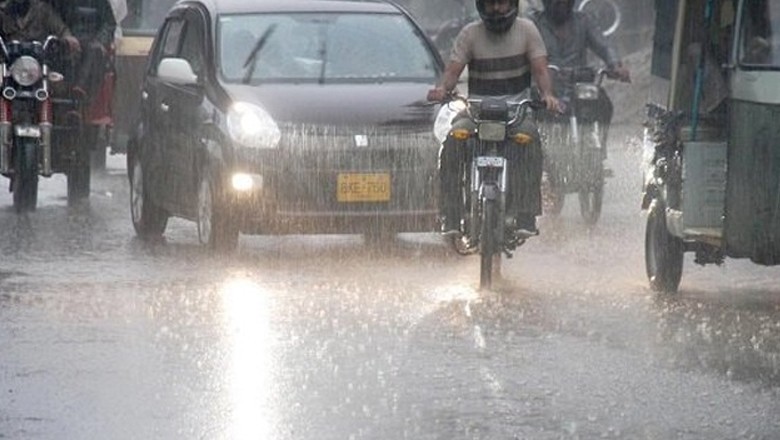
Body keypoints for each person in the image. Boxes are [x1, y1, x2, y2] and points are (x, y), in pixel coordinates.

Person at [427, 0, 560, 237]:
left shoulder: (527, 30)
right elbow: (452, 72)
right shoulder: (470, 34)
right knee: (453, 141)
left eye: (501, 3)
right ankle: (451, 214)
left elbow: (540, 70)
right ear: (481, 6)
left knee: (530, 139)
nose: (496, 9)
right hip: (476, 112)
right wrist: (441, 90)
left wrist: (547, 95)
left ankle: (525, 214)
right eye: (490, 4)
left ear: (512, 4)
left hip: (516, 113)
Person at [529, 0, 630, 147]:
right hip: (545, 87)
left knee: (603, 103)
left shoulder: (584, 20)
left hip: (579, 85)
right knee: (530, 109)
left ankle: (598, 148)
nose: (561, 2)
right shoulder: (534, 23)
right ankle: (536, 150)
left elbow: (604, 46)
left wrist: (615, 65)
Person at [48, 0, 118, 101]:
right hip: (64, 42)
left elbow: (109, 24)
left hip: (92, 42)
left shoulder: (100, 2)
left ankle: (79, 93)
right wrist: (66, 37)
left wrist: (101, 41)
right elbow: (52, 19)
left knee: (94, 52)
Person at [0, 0, 81, 53]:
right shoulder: (3, 12)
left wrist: (69, 39)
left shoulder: (42, 10)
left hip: (39, 60)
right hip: (10, 62)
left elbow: (61, 29)